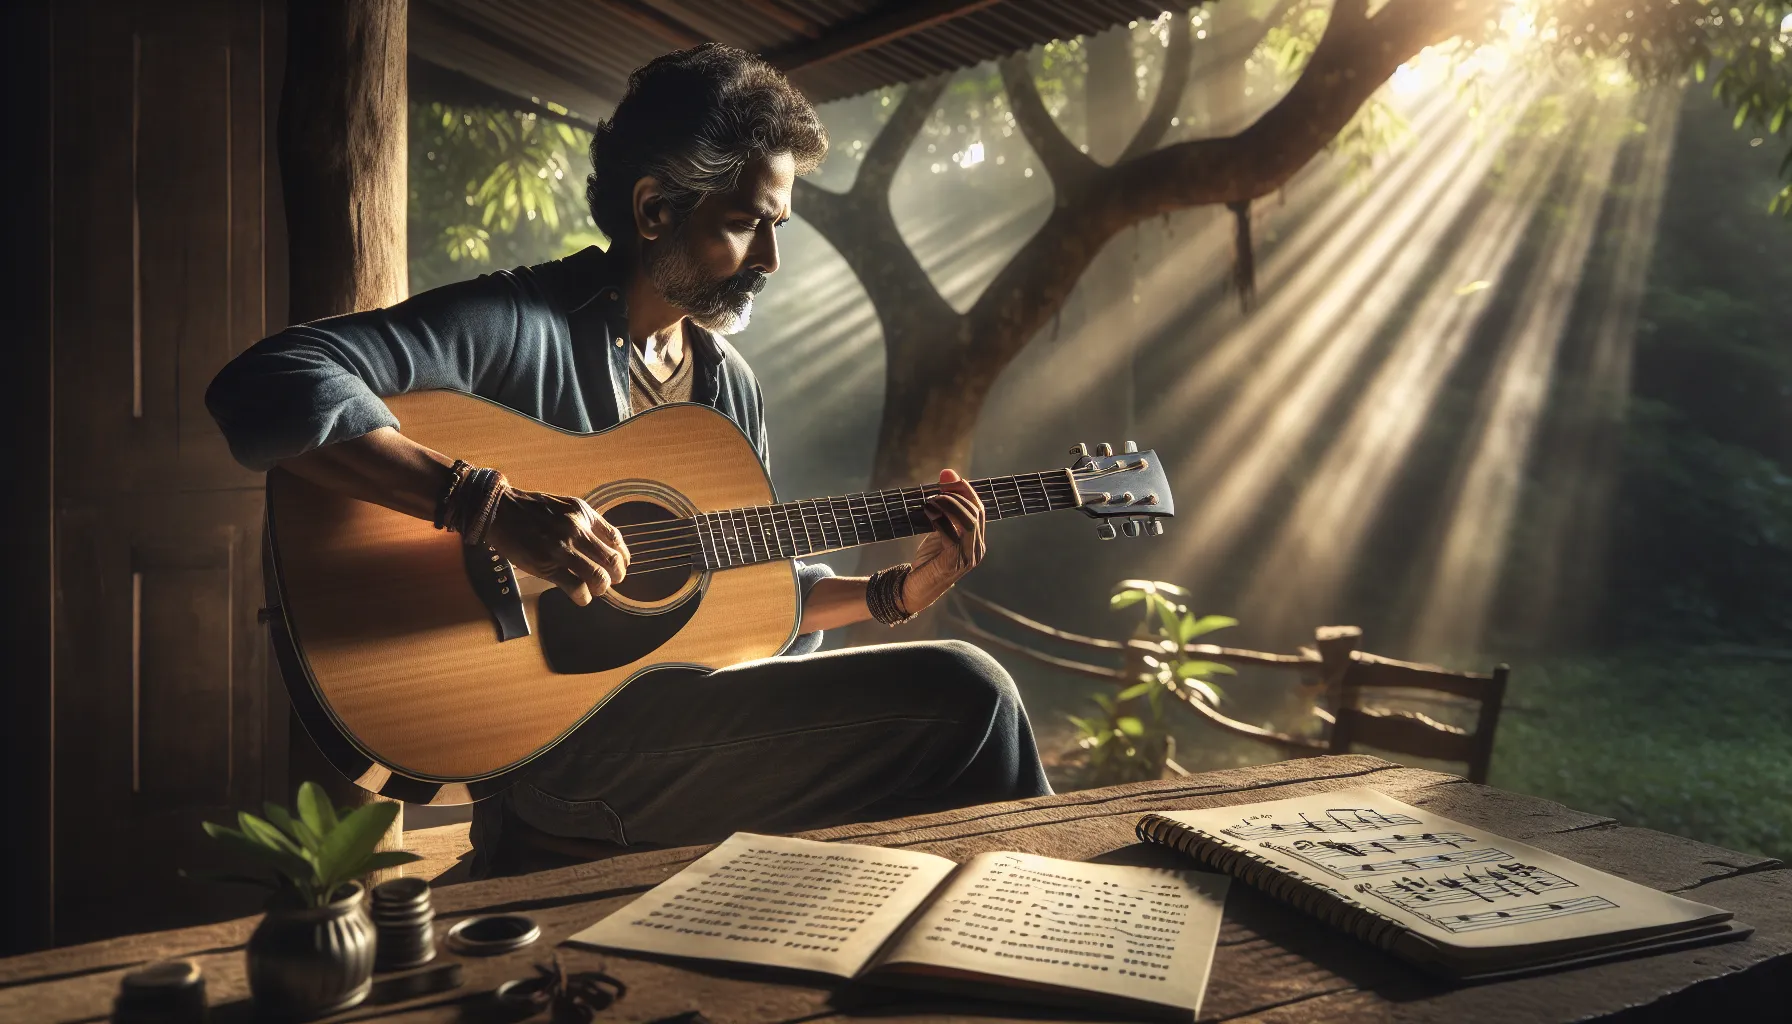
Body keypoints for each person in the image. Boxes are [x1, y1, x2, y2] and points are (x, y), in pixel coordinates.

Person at [207, 43, 1051, 876]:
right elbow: (265, 383)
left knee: (951, 724)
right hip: (556, 753)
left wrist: (891, 594)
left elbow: (750, 599)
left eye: (777, 228)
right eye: (746, 223)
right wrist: (490, 510)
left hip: (683, 726)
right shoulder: (518, 323)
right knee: (969, 697)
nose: (769, 262)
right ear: (654, 209)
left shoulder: (727, 389)